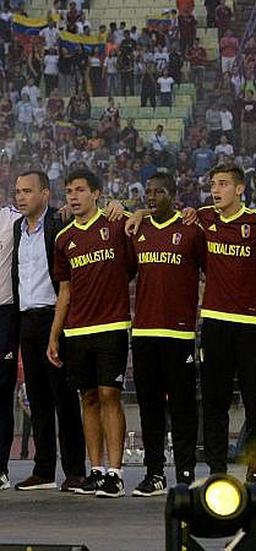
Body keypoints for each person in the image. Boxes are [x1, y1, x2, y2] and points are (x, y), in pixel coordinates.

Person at [129, 163, 256, 481]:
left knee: (254, 403)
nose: (215, 190)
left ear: (240, 189)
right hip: (215, 323)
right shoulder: (203, 218)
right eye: (212, 184)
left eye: (222, 184)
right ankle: (217, 470)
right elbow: (161, 214)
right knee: (214, 403)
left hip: (252, 324)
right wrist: (138, 214)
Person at [49, 168, 136, 498]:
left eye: (80, 190)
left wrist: (129, 208)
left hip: (112, 325)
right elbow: (65, 291)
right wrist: (54, 335)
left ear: (96, 194)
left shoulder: (116, 224)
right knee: (87, 398)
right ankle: (96, 470)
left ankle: (116, 472)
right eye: (69, 190)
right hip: (77, 329)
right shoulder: (63, 238)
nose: (73, 196)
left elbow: (131, 265)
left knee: (109, 395)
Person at [129, 171, 204, 495]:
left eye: (159, 191)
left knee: (184, 407)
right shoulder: (137, 229)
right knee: (150, 406)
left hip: (179, 333)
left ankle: (185, 474)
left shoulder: (190, 231)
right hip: (144, 331)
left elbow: (209, 272)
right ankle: (154, 473)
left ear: (173, 195)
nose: (152, 196)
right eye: (148, 191)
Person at [11, 171, 86, 492]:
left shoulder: (60, 221)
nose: (20, 197)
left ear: (45, 193)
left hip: (56, 318)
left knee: (64, 399)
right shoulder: (17, 228)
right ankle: (43, 470)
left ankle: (75, 470)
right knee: (38, 401)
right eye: (17, 191)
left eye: (27, 191)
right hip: (26, 320)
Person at [0, 196, 20, 490]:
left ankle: (0, 468)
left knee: (2, 395)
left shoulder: (11, 219)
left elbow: (50, 217)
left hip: (4, 313)